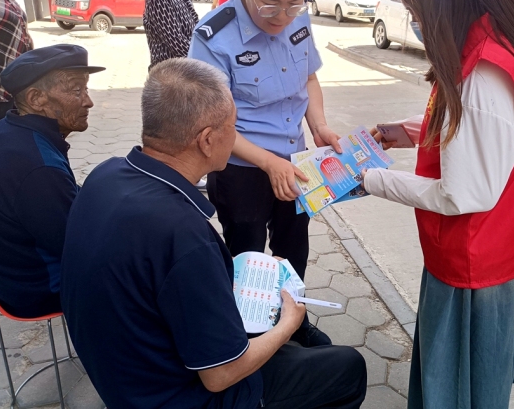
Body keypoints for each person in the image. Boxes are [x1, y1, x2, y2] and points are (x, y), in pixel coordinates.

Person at [60, 58, 367, 409]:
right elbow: (220, 374)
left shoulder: (106, 174)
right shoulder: (183, 234)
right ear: (207, 140)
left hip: (120, 368)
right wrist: (288, 324)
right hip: (175, 396)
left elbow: (162, 277)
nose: (237, 138)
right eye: (235, 128)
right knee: (348, 367)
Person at [361, 0, 514, 408]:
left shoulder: (486, 72)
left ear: (442, 0)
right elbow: (483, 132)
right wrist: (408, 131)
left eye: (415, 10)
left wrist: (368, 179)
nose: (415, 22)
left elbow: (464, 194)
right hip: (513, 235)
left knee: (457, 385)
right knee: (479, 372)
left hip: (479, 254)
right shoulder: (503, 35)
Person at [188, 0, 341, 348]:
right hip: (240, 167)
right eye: (270, 4)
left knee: (295, 244)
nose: (283, 15)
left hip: (294, 161)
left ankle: (293, 320)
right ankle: (251, 335)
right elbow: (212, 124)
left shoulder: (298, 19)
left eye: (295, 3)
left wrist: (320, 125)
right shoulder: (212, 38)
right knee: (249, 254)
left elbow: (307, 77)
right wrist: (268, 162)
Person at [0, 44, 101, 318]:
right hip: (36, 289)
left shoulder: (9, 129)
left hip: (13, 271)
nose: (88, 101)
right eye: (76, 91)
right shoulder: (38, 168)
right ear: (36, 99)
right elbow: (79, 246)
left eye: (86, 89)